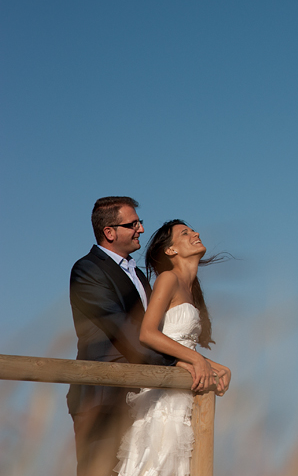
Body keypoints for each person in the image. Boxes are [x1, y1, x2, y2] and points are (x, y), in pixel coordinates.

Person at [68, 197, 178, 476]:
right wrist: (175, 364)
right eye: (133, 224)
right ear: (109, 232)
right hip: (102, 398)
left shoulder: (138, 274)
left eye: (139, 222)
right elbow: (121, 329)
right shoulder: (87, 270)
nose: (141, 228)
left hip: (141, 396)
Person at [115, 219, 231, 476]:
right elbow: (148, 334)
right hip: (165, 395)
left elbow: (178, 342)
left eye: (193, 230)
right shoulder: (168, 278)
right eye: (185, 233)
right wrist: (198, 360)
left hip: (183, 393)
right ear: (171, 250)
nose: (196, 233)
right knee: (158, 464)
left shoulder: (192, 289)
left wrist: (215, 366)